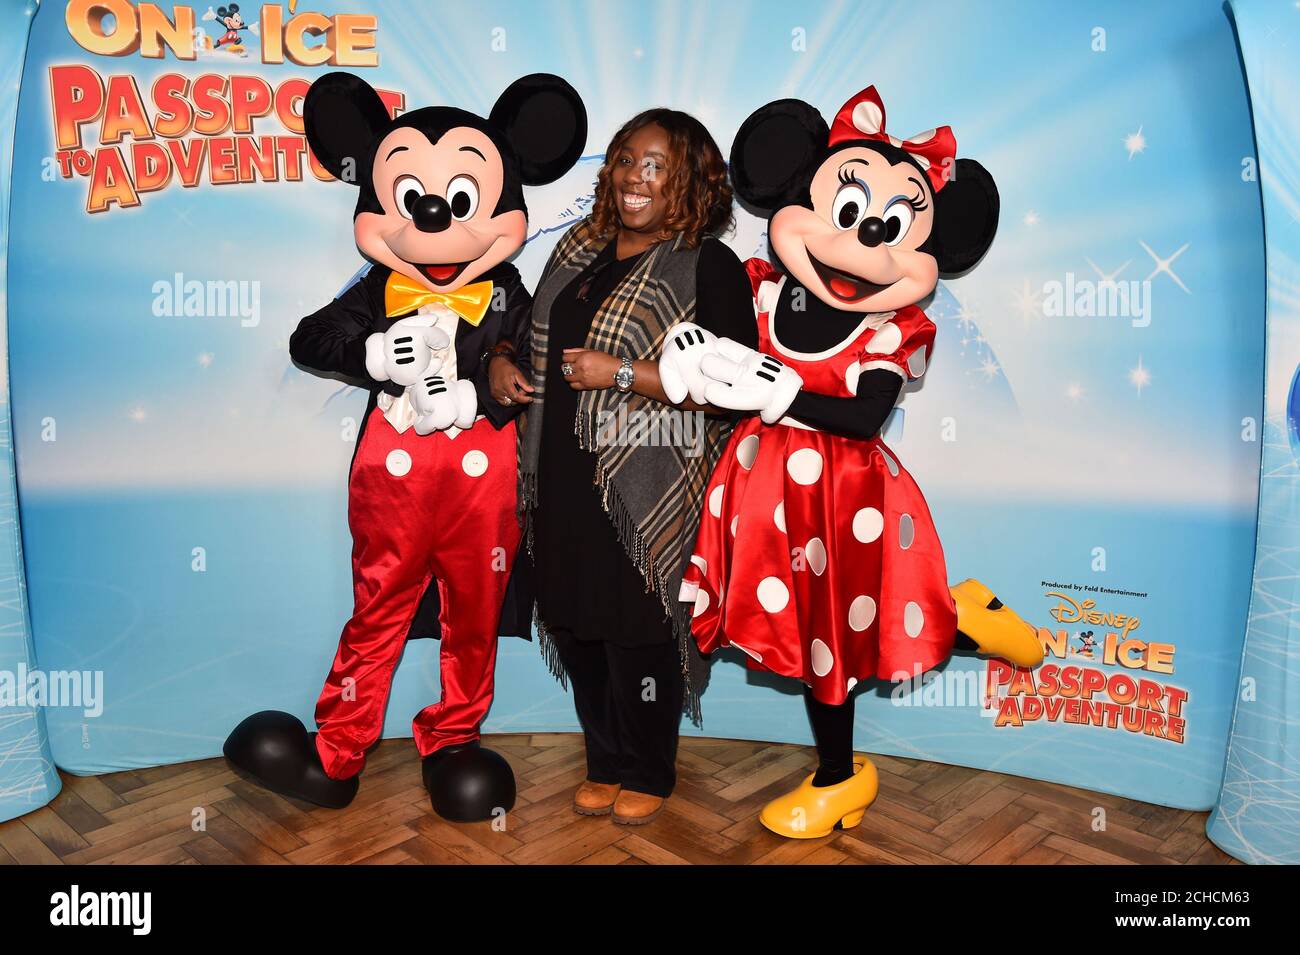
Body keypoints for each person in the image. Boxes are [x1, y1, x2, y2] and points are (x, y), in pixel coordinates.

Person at [487, 109, 757, 825]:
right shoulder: (578, 249)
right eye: (627, 159)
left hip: (646, 485)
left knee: (637, 631)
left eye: (657, 165)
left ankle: (647, 767)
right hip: (559, 474)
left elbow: (738, 383)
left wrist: (624, 374)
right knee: (577, 625)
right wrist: (504, 362)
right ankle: (604, 759)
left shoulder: (707, 265)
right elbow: (526, 334)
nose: (636, 177)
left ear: (690, 181)